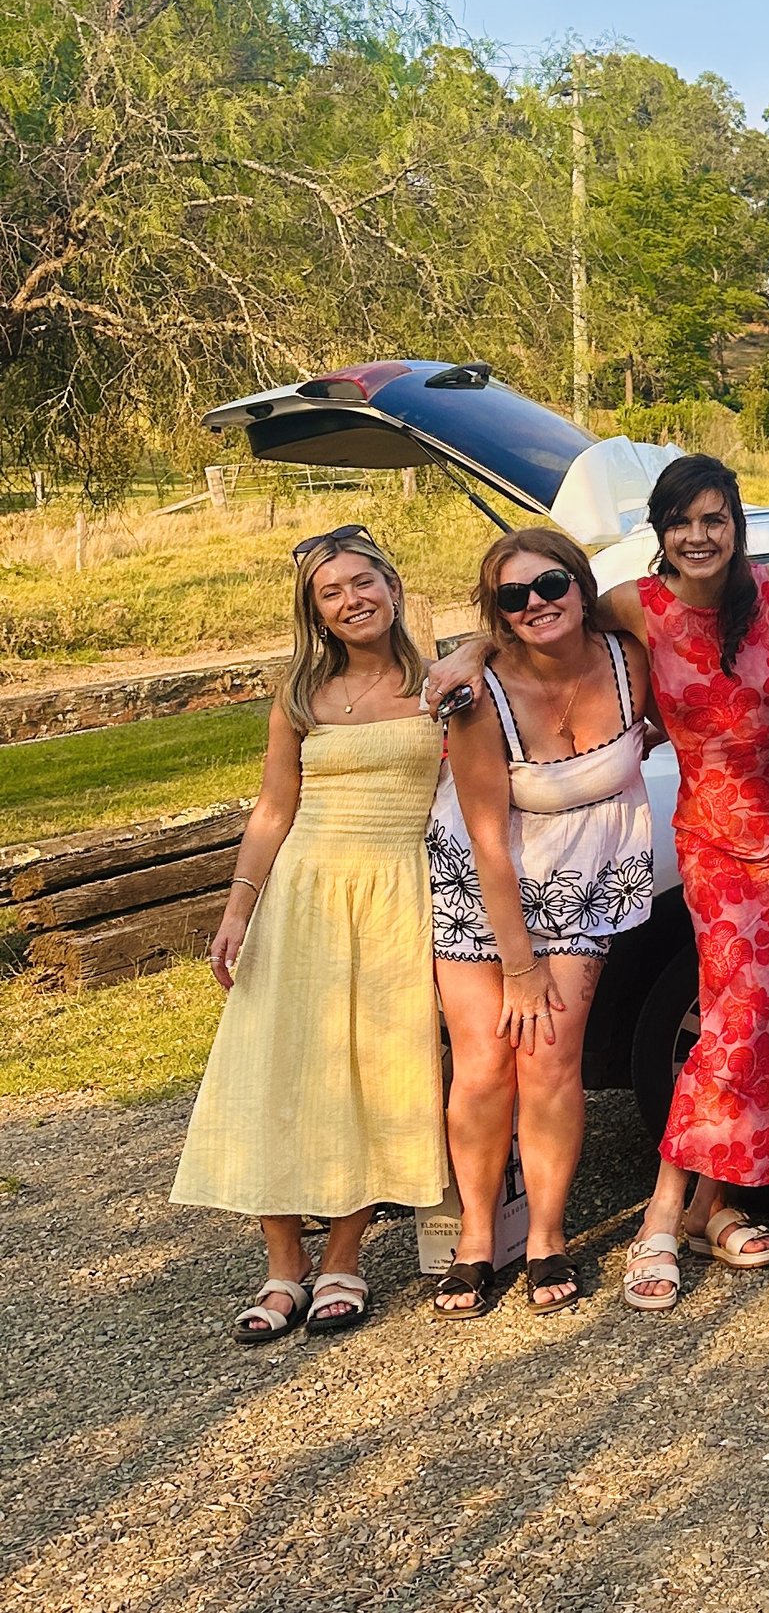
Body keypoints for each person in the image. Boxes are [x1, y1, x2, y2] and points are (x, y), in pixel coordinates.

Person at [427, 454, 769, 1311]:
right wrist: (467, 647)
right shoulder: (632, 609)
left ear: (736, 522)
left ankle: (713, 1209)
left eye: (714, 518)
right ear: (659, 530)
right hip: (713, 841)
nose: (699, 535)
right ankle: (657, 1216)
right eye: (681, 520)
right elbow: (531, 626)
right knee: (724, 1020)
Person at [173, 525, 448, 1340]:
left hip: (396, 890)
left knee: (376, 1069)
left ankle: (346, 1254)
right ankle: (282, 1264)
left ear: (393, 587)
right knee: (275, 1066)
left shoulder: (444, 684)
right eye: (331, 592)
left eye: (363, 582)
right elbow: (273, 808)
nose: (351, 599)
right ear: (317, 612)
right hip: (301, 892)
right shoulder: (301, 694)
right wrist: (237, 908)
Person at [426, 526, 655, 1318]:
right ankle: (476, 1239)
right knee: (485, 1060)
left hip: (583, 875)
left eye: (551, 585)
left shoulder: (631, 656)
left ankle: (549, 1237)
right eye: (513, 596)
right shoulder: (477, 694)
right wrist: (518, 964)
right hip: (481, 876)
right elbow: (489, 838)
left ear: (582, 585)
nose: (537, 604)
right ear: (497, 613)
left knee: (552, 1060)